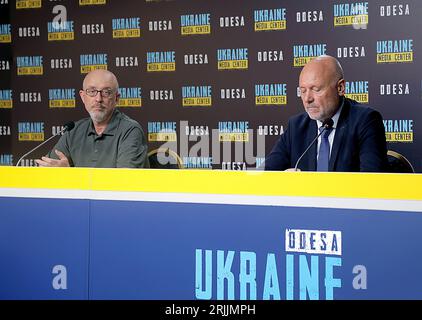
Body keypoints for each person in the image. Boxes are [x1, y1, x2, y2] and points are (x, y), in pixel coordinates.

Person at [264, 55, 388, 172]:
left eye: (316, 89)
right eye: (302, 91)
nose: (307, 99)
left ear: (340, 88)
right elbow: (265, 175)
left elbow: (372, 181)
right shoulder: (296, 127)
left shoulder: (366, 121)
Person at [35, 69, 149, 168]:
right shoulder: (73, 131)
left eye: (106, 92)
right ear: (83, 97)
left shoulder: (130, 131)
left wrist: (69, 175)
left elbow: (124, 182)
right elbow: (47, 168)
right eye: (92, 91)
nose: (98, 99)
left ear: (116, 98)